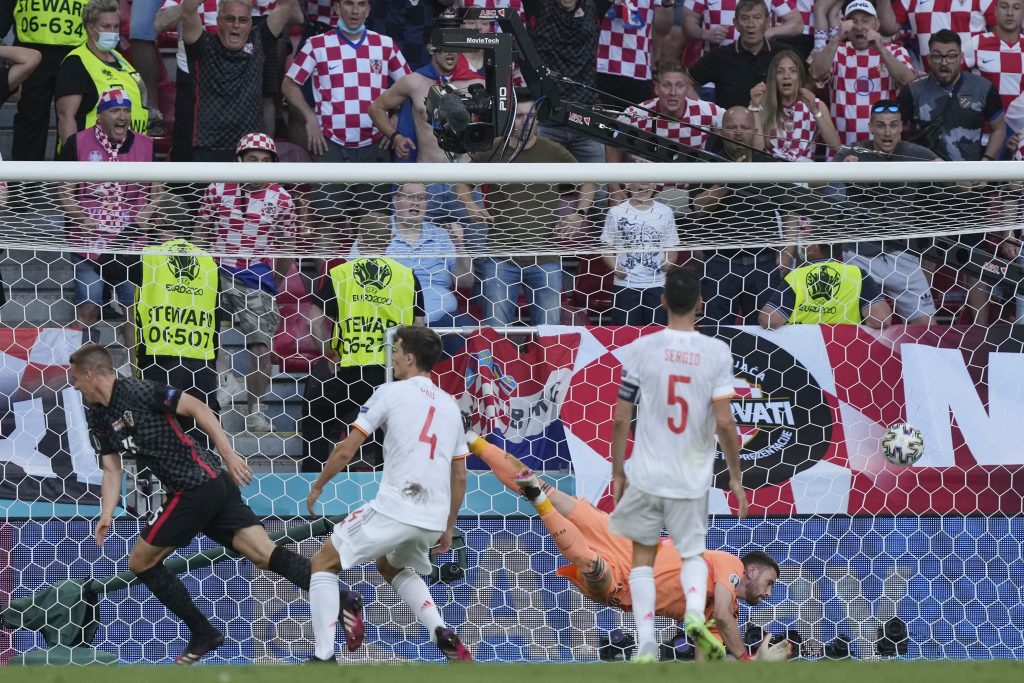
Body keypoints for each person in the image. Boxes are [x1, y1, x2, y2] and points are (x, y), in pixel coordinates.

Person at [69, 343, 354, 665]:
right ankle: (343, 598)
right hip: (207, 486)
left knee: (141, 562)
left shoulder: (138, 390)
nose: (74, 386)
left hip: (194, 486)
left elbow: (198, 408)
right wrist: (106, 513)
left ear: (90, 374)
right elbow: (111, 469)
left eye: (75, 378)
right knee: (264, 555)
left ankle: (203, 632)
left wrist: (229, 454)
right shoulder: (98, 415)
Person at [466, 432, 790, 662]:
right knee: (540, 485)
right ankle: (472, 439)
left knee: (591, 565)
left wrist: (751, 665)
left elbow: (706, 665)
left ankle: (537, 500)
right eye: (770, 582)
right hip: (623, 541)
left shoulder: (721, 614)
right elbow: (722, 614)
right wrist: (748, 661)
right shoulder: (731, 566)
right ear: (751, 570)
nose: (769, 593)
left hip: (621, 581)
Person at [304, 326, 473, 662]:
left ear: (409, 357)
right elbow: (460, 475)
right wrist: (448, 526)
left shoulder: (389, 392)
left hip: (397, 507)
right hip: (432, 517)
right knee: (391, 565)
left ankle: (323, 657)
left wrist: (319, 484)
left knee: (322, 563)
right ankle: (441, 630)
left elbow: (347, 448)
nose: (392, 356)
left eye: (396, 350)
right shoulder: (450, 406)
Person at [609, 267, 748, 662]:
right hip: (691, 470)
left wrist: (618, 471)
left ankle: (646, 644)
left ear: (663, 300)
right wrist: (735, 477)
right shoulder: (716, 352)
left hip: (648, 469)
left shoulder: (642, 349)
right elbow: (725, 423)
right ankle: (694, 614)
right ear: (700, 304)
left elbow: (621, 418)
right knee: (692, 553)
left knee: (643, 558)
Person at [454, 89, 595, 327]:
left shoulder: (553, 151)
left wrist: (579, 214)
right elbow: (461, 181)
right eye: (519, 116)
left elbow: (588, 182)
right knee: (496, 331)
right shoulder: (494, 148)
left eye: (530, 116)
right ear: (511, 118)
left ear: (537, 119)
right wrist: (470, 205)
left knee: (549, 334)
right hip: (501, 255)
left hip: (545, 256)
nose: (526, 121)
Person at [197, 133, 299, 433]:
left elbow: (287, 246)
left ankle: (255, 411)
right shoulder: (216, 188)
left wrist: (273, 279)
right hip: (217, 270)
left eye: (266, 161)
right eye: (252, 159)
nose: (259, 165)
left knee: (262, 345)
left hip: (255, 273)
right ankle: (224, 378)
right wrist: (200, 271)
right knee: (202, 330)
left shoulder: (282, 198)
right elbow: (201, 232)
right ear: (239, 160)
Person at [282, 0, 410, 229]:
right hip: (330, 144)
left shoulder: (384, 45)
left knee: (376, 227)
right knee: (327, 225)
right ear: (337, 8)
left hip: (374, 145)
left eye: (361, 4)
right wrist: (310, 118)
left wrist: (395, 119)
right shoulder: (317, 44)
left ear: (369, 9)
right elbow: (289, 85)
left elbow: (410, 86)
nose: (355, 10)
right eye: (349, 4)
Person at [58, 88, 160, 371]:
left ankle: (137, 373)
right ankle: (81, 377)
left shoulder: (146, 145)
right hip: (89, 243)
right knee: (88, 308)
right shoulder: (78, 143)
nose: (122, 117)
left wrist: (147, 213)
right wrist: (79, 217)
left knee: (133, 310)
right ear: (100, 116)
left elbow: (158, 190)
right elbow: (63, 190)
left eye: (126, 110)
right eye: (115, 111)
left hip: (130, 243)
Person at [300, 256, 423, 471]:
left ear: (359, 240)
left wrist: (330, 353)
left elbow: (314, 322)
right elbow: (419, 328)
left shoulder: (340, 274)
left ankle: (313, 477)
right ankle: (388, 478)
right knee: (390, 425)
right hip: (393, 374)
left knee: (315, 413)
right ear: (388, 240)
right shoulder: (407, 276)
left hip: (350, 372)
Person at [833, 99, 939, 325]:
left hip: (903, 254)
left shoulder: (916, 153)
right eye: (881, 125)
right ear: (871, 127)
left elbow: (961, 181)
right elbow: (817, 186)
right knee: (874, 322)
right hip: (860, 255)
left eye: (893, 125)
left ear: (901, 127)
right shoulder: (851, 152)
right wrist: (839, 170)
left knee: (929, 329)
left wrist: (979, 175)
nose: (887, 132)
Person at [691, 106, 794, 325]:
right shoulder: (705, 163)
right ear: (721, 131)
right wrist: (728, 180)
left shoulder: (769, 165)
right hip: (720, 264)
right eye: (732, 127)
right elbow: (699, 208)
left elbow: (791, 211)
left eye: (745, 127)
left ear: (755, 131)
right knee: (717, 332)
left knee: (762, 335)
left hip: (763, 264)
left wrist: (787, 254)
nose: (738, 132)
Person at [350, 184, 475, 354]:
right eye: (409, 196)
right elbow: (353, 279)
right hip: (390, 321)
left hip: (442, 322)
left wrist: (459, 245)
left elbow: (466, 282)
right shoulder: (377, 231)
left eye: (421, 198)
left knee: (475, 339)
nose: (415, 202)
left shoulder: (442, 235)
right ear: (395, 201)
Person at [129, 194, 222, 417]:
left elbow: (104, 265)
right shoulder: (209, 261)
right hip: (202, 366)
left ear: (157, 221)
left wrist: (135, 227)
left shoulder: (149, 256)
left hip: (159, 362)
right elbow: (216, 319)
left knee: (161, 435)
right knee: (202, 436)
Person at [182, 0, 302, 161]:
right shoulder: (203, 43)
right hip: (207, 147)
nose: (236, 25)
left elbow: (285, 5)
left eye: (243, 20)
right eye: (229, 19)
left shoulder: (258, 40)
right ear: (218, 21)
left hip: (249, 148)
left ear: (251, 23)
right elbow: (188, 10)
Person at [608, 63, 725, 203]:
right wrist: (614, 187)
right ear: (656, 88)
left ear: (687, 88)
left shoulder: (707, 111)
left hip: (688, 197)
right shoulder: (637, 113)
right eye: (666, 85)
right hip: (645, 198)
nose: (673, 92)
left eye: (679, 85)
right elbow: (611, 137)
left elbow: (737, 123)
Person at [809, 0, 917, 146]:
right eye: (853, 21)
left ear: (876, 25)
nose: (859, 27)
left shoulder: (895, 51)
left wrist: (880, 48)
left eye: (865, 21)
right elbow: (816, 73)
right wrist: (837, 38)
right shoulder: (837, 51)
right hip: (843, 150)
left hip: (883, 150)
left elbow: (910, 84)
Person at [898, 29, 1006, 162]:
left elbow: (999, 129)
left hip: (968, 172)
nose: (944, 63)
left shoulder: (983, 88)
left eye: (951, 56)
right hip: (924, 172)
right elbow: (892, 127)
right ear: (929, 59)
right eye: (937, 56)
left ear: (961, 58)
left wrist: (986, 161)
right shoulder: (913, 90)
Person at [526, 0, 611, 163]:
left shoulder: (595, 5)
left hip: (586, 118)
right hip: (548, 118)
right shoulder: (538, 5)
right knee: (542, 179)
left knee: (597, 179)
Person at [55, 0, 148, 147]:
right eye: (106, 26)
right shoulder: (76, 62)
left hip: (130, 151)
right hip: (94, 153)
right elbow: (66, 116)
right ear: (90, 28)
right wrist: (73, 156)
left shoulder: (121, 60)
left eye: (116, 26)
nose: (112, 32)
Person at [0, 0, 78, 161]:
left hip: (75, 55)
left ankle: (68, 174)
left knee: (71, 118)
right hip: (29, 54)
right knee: (30, 119)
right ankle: (26, 176)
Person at [758, 242, 893, 328]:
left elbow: (770, 320)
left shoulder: (797, 276)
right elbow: (881, 319)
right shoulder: (857, 274)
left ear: (815, 247)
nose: (802, 247)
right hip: (845, 351)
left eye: (806, 243)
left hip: (801, 351)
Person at [600, 181, 680, 325]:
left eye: (648, 180)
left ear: (655, 185)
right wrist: (615, 268)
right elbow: (606, 247)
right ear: (628, 184)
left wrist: (669, 262)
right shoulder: (616, 212)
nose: (644, 184)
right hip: (626, 286)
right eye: (639, 180)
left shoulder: (665, 212)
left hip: (657, 286)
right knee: (625, 334)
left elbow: (672, 245)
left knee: (657, 333)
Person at [688, 0, 787, 109]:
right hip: (730, 119)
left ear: (767, 22)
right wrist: (706, 112)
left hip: (773, 119)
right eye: (745, 18)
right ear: (736, 24)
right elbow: (686, 82)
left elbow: (802, 83)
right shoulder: (720, 56)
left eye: (757, 18)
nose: (751, 24)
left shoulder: (783, 54)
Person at [749, 49, 840, 161]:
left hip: (805, 170)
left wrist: (814, 110)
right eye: (780, 72)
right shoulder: (761, 105)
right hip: (772, 168)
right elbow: (757, 151)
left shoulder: (817, 105)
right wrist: (754, 107)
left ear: (800, 77)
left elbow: (835, 146)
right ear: (774, 78)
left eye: (793, 71)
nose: (786, 76)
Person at [967, 0, 1024, 113]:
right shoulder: (976, 43)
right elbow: (954, 73)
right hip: (985, 123)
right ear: (995, 11)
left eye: (1016, 8)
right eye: (1004, 7)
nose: (1010, 13)